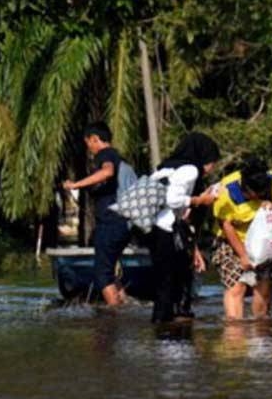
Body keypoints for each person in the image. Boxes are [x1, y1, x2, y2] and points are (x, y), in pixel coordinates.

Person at [147, 132, 220, 323]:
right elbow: (173, 199)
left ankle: (162, 328)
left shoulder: (165, 168)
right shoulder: (190, 170)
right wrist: (199, 200)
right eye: (213, 162)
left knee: (163, 283)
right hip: (166, 230)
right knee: (171, 282)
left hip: (153, 228)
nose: (212, 167)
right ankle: (169, 336)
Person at [211, 156, 272, 320]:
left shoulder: (271, 178)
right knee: (237, 287)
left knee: (263, 287)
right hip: (232, 240)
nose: (256, 198)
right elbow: (226, 225)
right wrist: (243, 256)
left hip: (264, 242)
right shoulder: (227, 189)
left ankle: (260, 331)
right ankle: (234, 334)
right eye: (253, 195)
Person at [62, 122, 131, 306]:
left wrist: (76, 185)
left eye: (89, 144)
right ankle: (125, 310)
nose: (90, 149)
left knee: (102, 275)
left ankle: (113, 320)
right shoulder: (118, 156)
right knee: (108, 272)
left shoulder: (106, 155)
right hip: (122, 224)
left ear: (95, 139)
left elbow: (107, 172)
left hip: (111, 223)